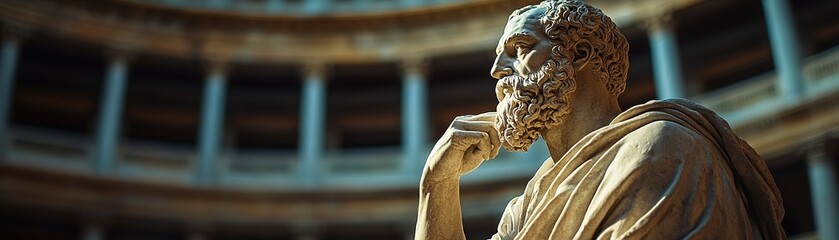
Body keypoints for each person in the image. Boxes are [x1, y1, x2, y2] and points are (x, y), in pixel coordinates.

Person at [414, 0, 786, 239]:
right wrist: (437, 185)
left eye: (520, 49)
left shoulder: (659, 149)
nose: (497, 71)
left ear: (578, 53)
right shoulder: (525, 207)